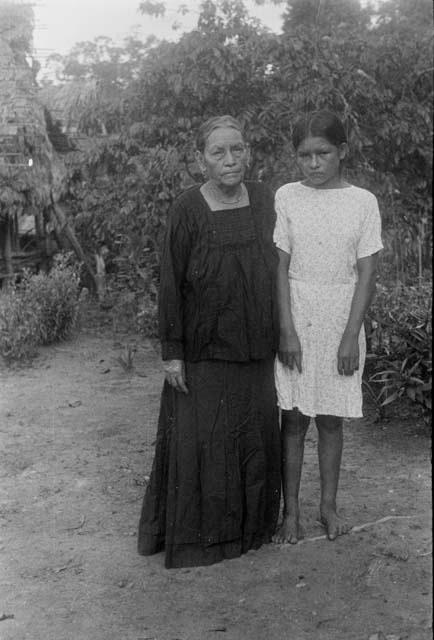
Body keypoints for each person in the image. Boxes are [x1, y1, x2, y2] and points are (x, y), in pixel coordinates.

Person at [138, 115, 281, 569]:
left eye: (237, 149)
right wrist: (172, 353)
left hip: (256, 349)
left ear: (249, 153)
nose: (230, 160)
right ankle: (206, 541)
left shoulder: (264, 200)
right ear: (200, 160)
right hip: (202, 353)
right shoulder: (186, 208)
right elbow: (170, 284)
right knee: (206, 444)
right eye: (218, 152)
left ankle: (250, 532)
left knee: (253, 441)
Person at [272, 110, 383, 544]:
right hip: (298, 311)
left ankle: (328, 508)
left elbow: (367, 272)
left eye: (323, 154)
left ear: (343, 152)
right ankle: (291, 513)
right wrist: (287, 329)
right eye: (304, 155)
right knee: (294, 418)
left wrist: (350, 336)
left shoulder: (363, 202)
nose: (313, 164)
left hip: (341, 315)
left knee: (332, 420)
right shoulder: (287, 197)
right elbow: (279, 267)